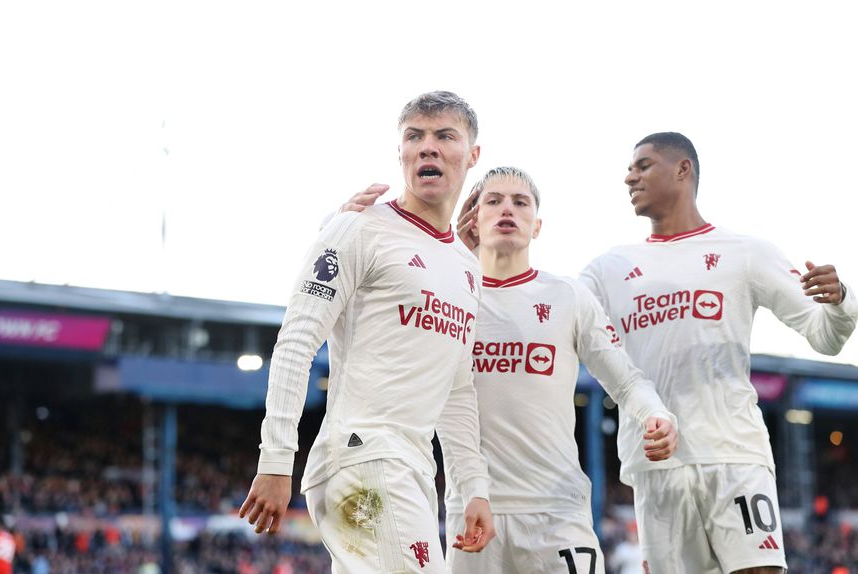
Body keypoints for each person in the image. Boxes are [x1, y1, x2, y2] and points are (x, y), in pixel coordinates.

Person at [341, 166, 678, 574]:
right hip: (473, 513)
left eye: (521, 203)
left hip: (557, 514)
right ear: (473, 218)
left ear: (537, 226)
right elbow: (366, 323)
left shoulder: (569, 296)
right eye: (493, 201)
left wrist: (656, 414)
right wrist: (346, 228)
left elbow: (625, 379)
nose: (507, 210)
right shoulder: (443, 298)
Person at [239, 91, 495, 573]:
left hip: (413, 469)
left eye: (445, 136)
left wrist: (474, 487)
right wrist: (275, 458)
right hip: (362, 462)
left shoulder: (466, 266)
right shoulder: (359, 228)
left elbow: (457, 391)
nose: (428, 148)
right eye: (414, 137)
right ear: (400, 152)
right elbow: (296, 341)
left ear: (472, 155)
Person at [579, 132, 858, 573]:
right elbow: (557, 322)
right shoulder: (606, 269)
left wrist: (841, 300)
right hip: (657, 467)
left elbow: (825, 336)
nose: (629, 176)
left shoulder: (745, 254)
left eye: (643, 165)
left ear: (682, 169)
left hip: (735, 455)